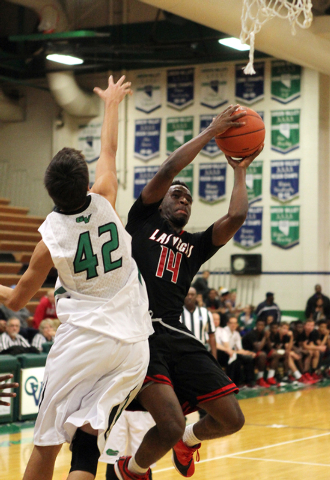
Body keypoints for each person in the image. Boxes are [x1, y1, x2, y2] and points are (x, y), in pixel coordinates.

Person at [0, 75, 153, 480]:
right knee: (86, 445)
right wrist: (112, 102)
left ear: (50, 195)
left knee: (47, 443)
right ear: (85, 184)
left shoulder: (50, 238)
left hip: (82, 342)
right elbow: (109, 148)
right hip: (132, 345)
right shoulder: (105, 196)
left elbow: (15, 301)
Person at [111, 104, 263, 480]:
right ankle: (130, 470)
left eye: (188, 201)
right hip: (140, 333)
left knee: (232, 419)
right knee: (169, 423)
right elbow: (167, 171)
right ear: (160, 201)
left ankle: (189, 441)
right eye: (177, 196)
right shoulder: (141, 221)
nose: (183, 201)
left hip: (176, 332)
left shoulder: (194, 246)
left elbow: (237, 217)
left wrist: (240, 171)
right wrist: (212, 132)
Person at [180, 286, 217, 358]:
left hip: (200, 351)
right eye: (187, 294)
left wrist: (214, 357)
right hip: (182, 352)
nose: (189, 297)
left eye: (192, 294)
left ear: (196, 296)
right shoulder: (178, 313)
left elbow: (211, 335)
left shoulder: (205, 312)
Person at [242, 318, 279, 387]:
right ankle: (260, 378)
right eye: (259, 325)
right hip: (249, 353)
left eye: (262, 325)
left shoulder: (264, 333)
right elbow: (258, 348)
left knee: (275, 353)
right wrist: (265, 337)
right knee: (262, 354)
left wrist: (267, 338)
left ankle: (270, 377)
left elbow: (270, 348)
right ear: (256, 325)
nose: (260, 327)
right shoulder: (251, 334)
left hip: (259, 353)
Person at [224, 316, 256, 387]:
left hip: (233, 353)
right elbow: (226, 348)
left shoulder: (236, 334)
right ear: (227, 324)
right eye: (231, 323)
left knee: (248, 358)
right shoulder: (224, 332)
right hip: (223, 353)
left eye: (235, 323)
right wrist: (243, 353)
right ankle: (240, 382)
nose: (233, 325)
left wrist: (249, 352)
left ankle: (248, 381)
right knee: (243, 359)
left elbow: (240, 349)